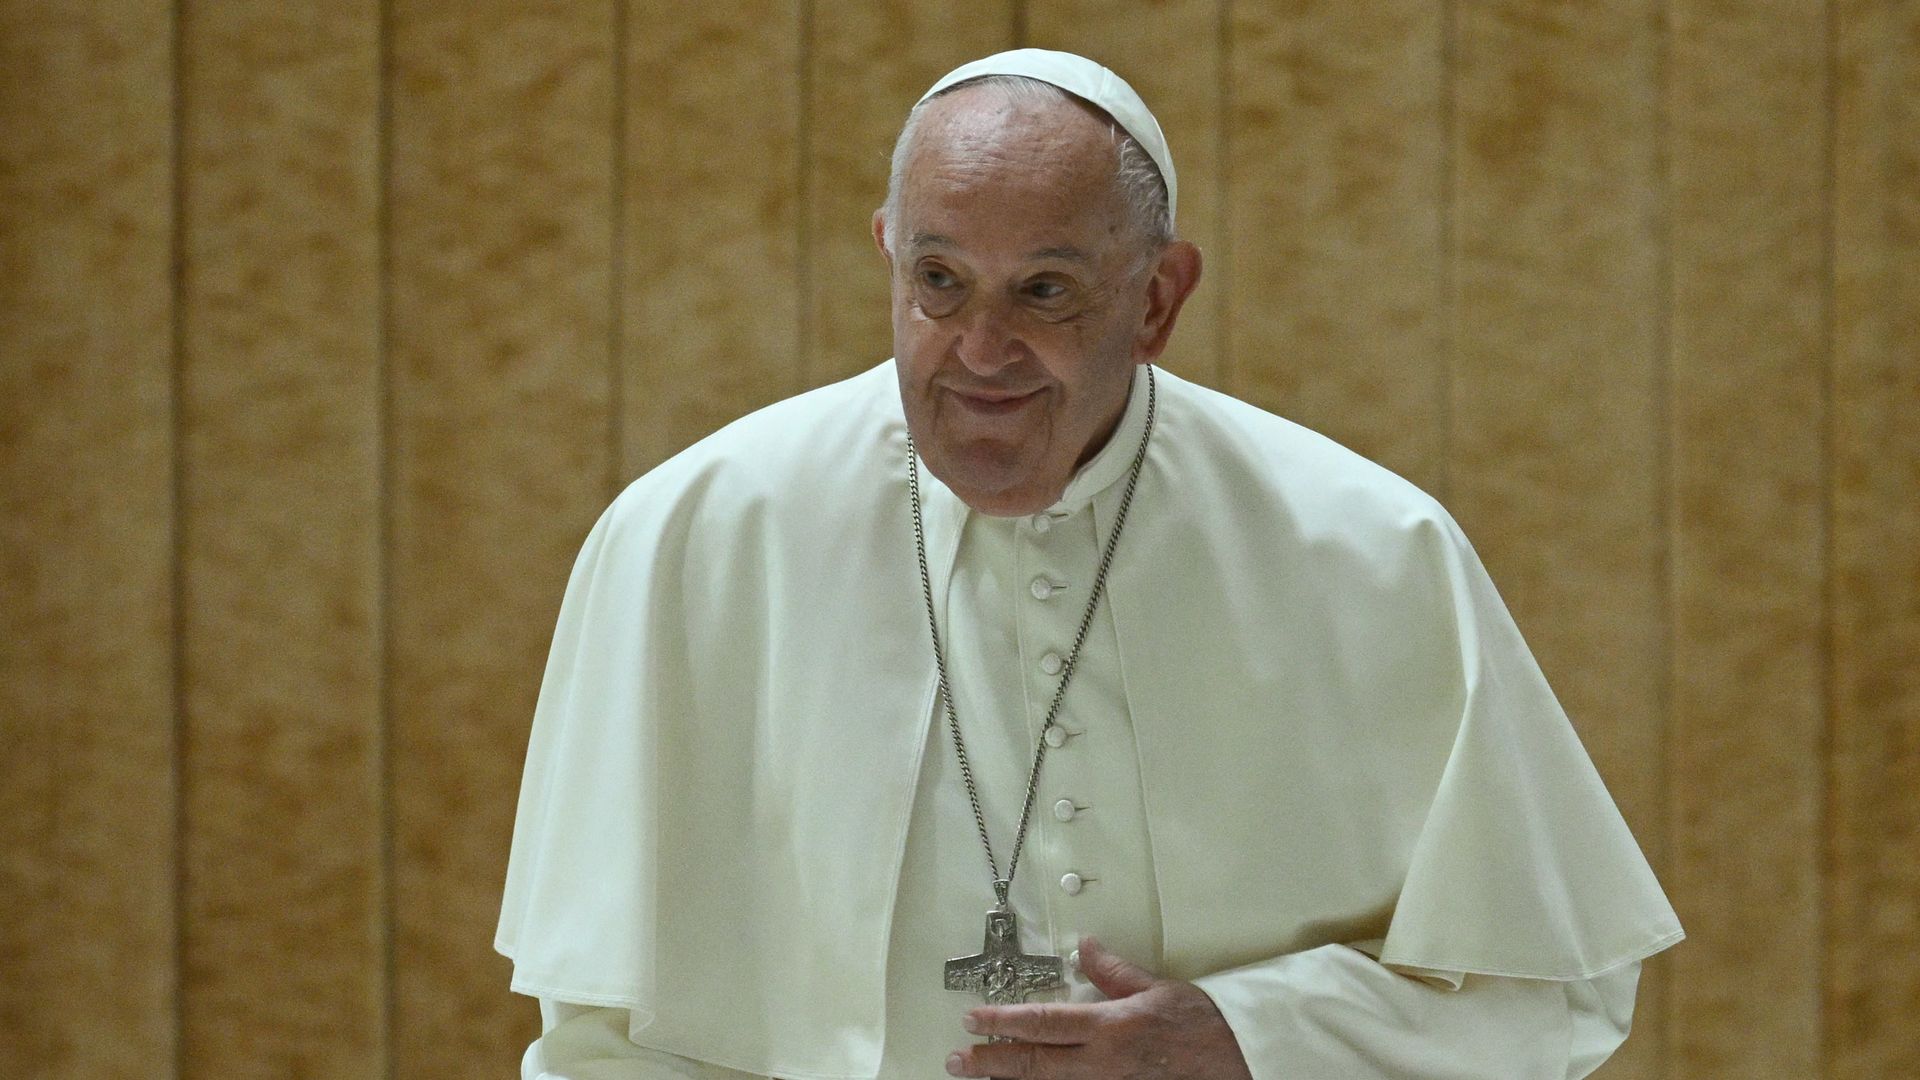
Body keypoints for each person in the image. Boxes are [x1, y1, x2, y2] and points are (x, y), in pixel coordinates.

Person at [496, 49, 1683, 1080]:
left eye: (1047, 291)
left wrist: (1255, 1041)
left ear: (1158, 297)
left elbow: (1557, 999)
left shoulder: (1370, 552)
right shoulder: (695, 539)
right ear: (887, 256)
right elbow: (601, 1037)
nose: (981, 349)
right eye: (939, 280)